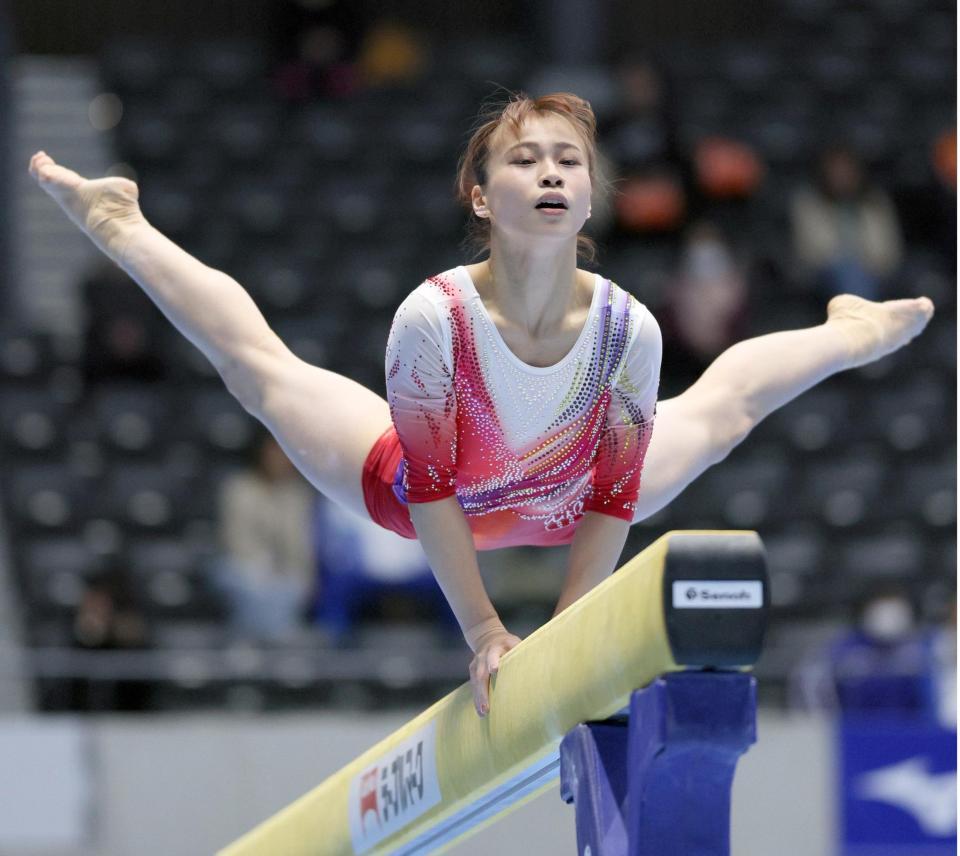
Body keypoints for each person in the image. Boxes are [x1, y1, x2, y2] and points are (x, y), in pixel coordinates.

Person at [28, 91, 934, 719]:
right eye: (524, 158)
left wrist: (568, 644)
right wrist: (490, 633)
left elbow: (616, 500)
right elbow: (431, 493)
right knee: (261, 375)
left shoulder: (630, 330)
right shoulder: (436, 319)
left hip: (576, 489)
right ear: (480, 192)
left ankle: (849, 331)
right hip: (431, 498)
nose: (549, 172)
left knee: (725, 410)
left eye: (569, 160)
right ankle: (121, 222)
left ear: (589, 197)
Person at [210, 430, 316, 643]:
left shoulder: (298, 494)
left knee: (292, 587)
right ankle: (271, 642)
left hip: (285, 572)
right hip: (242, 566)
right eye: (274, 452)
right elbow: (236, 540)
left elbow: (299, 545)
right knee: (252, 584)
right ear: (261, 453)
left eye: (284, 453)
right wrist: (265, 571)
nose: (280, 459)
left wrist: (291, 574)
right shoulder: (239, 488)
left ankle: (262, 648)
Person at [790, 143, 904, 300]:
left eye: (846, 171)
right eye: (836, 172)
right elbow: (812, 250)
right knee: (848, 271)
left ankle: (857, 315)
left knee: (856, 274)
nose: (842, 177)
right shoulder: (810, 203)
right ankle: (862, 317)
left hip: (873, 271)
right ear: (825, 174)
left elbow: (888, 250)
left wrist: (869, 264)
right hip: (824, 271)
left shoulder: (875, 202)